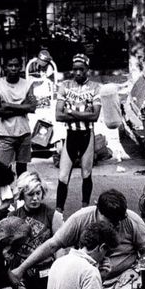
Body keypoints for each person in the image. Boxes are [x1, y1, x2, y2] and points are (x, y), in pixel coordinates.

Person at [12, 189, 145, 289]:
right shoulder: (80, 219)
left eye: (119, 220)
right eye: (111, 221)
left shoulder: (132, 220)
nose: (117, 225)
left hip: (123, 276)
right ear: (98, 210)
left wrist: (135, 269)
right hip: (88, 275)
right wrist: (21, 269)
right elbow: (52, 245)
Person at [9, 171, 62, 289]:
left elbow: (60, 247)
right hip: (22, 277)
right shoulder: (13, 216)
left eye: (38, 193)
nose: (35, 198)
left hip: (47, 275)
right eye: (30, 194)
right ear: (22, 195)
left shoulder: (53, 215)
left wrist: (60, 273)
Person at [54, 52, 101, 214]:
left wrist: (71, 112)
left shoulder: (95, 87)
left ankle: (85, 209)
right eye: (75, 69)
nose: (78, 73)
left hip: (87, 134)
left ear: (87, 69)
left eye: (81, 69)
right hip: (71, 135)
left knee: (86, 174)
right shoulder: (65, 86)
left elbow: (95, 116)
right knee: (63, 175)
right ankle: (58, 212)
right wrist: (83, 114)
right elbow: (58, 115)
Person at [0, 53, 37, 177]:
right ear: (4, 67)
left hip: (24, 132)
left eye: (16, 65)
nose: (13, 68)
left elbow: (32, 107)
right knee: (3, 170)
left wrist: (8, 105)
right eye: (10, 65)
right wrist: (22, 108)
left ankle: (21, 196)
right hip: (6, 133)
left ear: (21, 67)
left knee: (22, 170)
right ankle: (6, 196)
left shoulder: (27, 84)